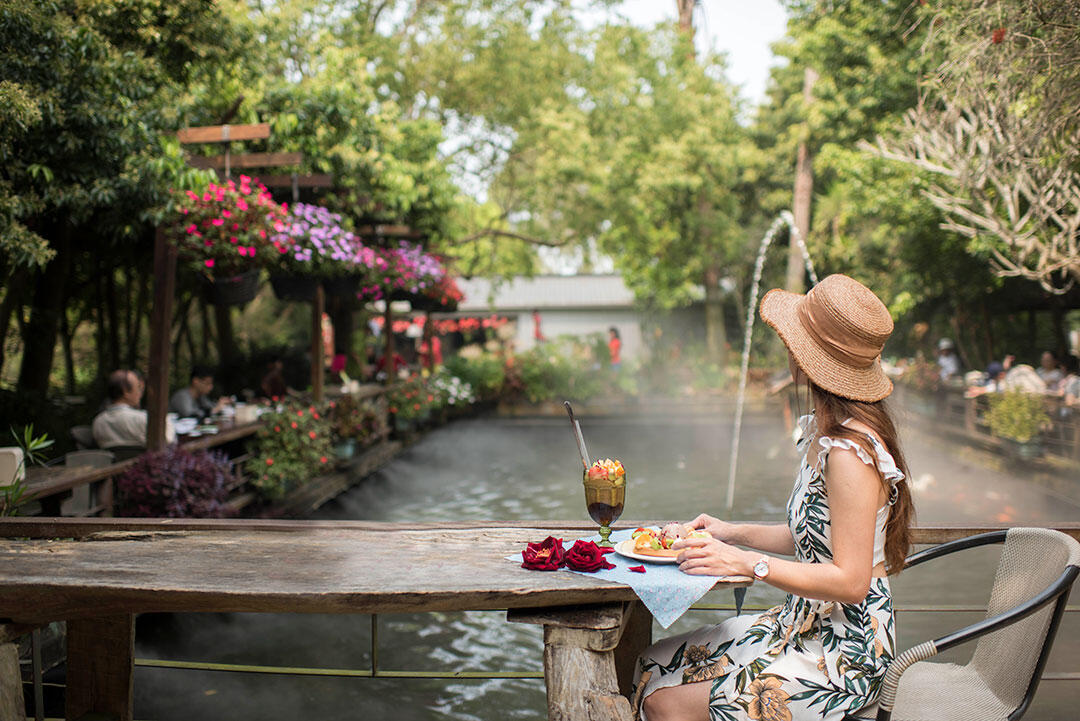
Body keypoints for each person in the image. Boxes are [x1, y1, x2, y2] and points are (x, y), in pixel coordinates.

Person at [634, 274, 913, 721]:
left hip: (843, 652)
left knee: (666, 703)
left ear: (805, 358)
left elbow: (851, 581)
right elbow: (815, 536)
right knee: (653, 663)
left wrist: (748, 565)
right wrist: (732, 532)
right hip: (802, 622)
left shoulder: (849, 454)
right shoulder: (829, 435)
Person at [92, 369, 175, 448]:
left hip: (114, 463)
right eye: (138, 387)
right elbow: (168, 440)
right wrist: (164, 418)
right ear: (126, 392)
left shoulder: (98, 422)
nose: (140, 393)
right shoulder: (144, 419)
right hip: (145, 462)